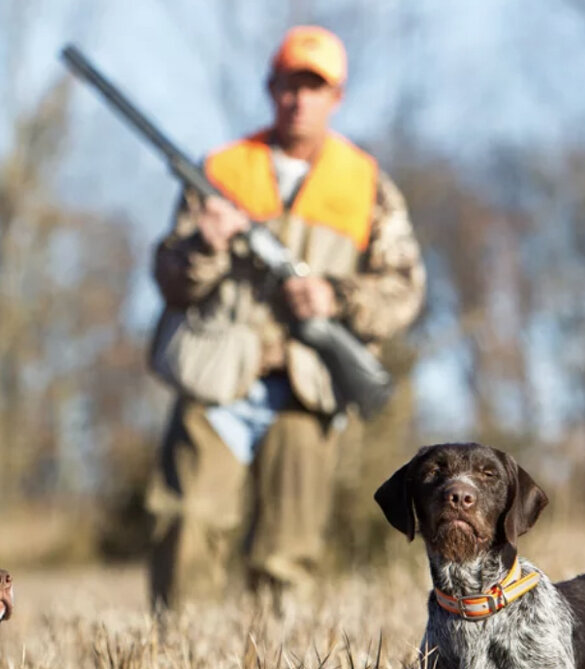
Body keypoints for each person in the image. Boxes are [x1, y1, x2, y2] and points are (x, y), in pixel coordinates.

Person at [146, 25, 426, 611]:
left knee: (287, 554)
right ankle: (178, 655)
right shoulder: (221, 169)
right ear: (270, 88)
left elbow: (404, 289)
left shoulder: (366, 183)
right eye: (288, 85)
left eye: (314, 86)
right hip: (218, 372)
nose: (298, 98)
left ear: (336, 97)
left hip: (308, 382)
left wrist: (337, 298)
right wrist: (204, 244)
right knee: (187, 524)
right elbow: (169, 280)